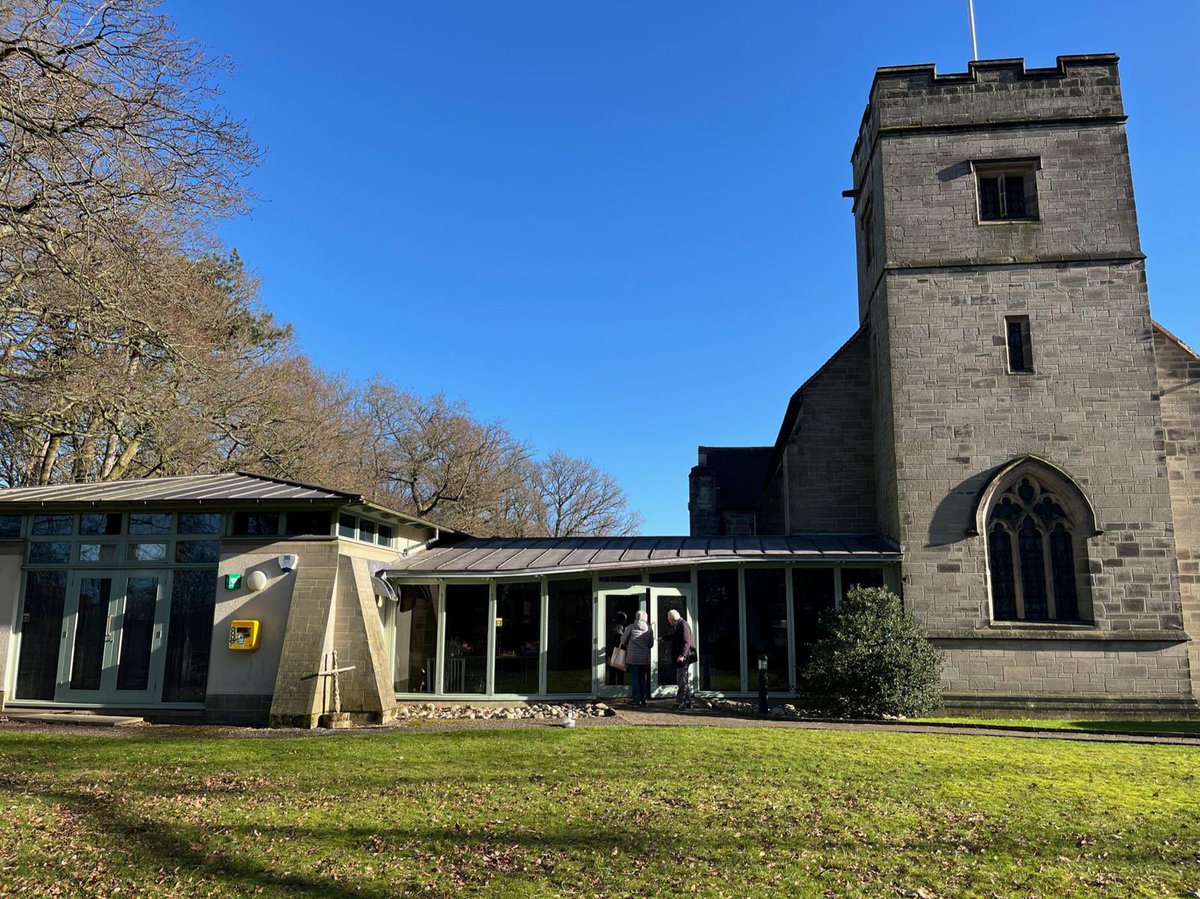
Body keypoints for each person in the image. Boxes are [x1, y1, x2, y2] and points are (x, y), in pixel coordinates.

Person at [662, 609, 696, 710]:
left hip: (684, 657)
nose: (668, 621)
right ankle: (688, 701)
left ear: (673, 618)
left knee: (681, 680)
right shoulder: (680, 624)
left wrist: (682, 655)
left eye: (668, 619)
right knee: (683, 680)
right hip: (684, 656)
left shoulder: (683, 625)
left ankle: (680, 703)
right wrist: (664, 638)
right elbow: (675, 636)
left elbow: (686, 642)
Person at [620, 610, 654, 707]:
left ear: (636, 617)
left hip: (633, 658)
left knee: (635, 679)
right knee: (643, 679)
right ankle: (644, 700)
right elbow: (651, 644)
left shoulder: (631, 627)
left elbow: (623, 640)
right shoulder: (649, 629)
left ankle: (636, 701)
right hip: (644, 659)